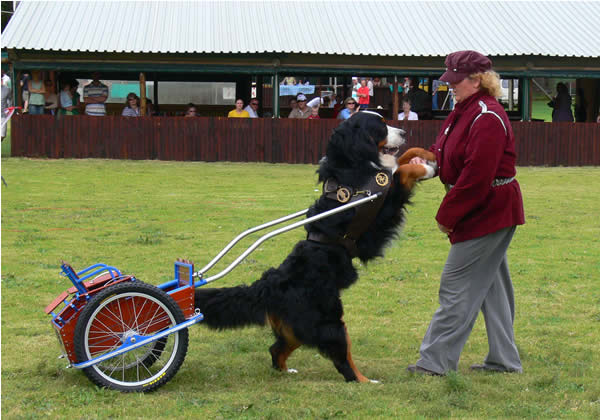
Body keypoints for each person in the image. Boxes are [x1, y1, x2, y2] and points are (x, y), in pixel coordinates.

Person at [406, 50, 524, 376]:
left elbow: (476, 177)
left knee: (456, 285)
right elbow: (447, 158)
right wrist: (426, 167)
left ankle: (434, 363)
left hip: (487, 209)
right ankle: (504, 361)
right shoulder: (463, 110)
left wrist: (447, 216)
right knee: (491, 287)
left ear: (477, 80)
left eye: (456, 81)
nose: (451, 86)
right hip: (484, 207)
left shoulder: (487, 116)